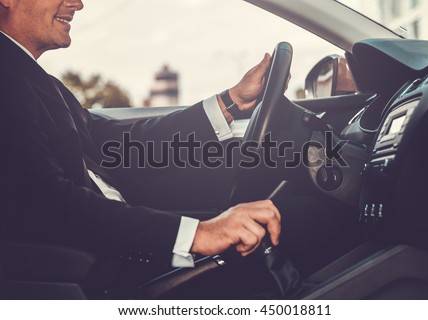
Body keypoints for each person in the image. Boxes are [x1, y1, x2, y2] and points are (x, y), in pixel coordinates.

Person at [0, 0, 281, 275]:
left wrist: (230, 102)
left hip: (115, 253)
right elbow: (45, 203)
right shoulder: (7, 78)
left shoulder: (32, 78)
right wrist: (198, 235)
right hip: (90, 274)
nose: (77, 4)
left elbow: (115, 143)